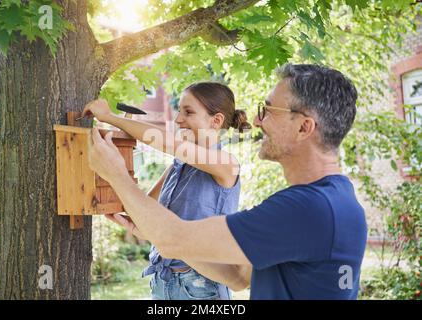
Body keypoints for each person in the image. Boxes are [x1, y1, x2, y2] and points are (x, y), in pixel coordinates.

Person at [85, 64, 368, 300]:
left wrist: (116, 172)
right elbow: (237, 276)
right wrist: (160, 236)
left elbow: (174, 237)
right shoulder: (325, 200)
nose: (257, 122)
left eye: (268, 111)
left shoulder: (308, 208)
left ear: (304, 127)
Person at [82, 82, 251, 300]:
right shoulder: (177, 167)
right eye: (179, 111)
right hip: (163, 282)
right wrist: (137, 227)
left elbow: (165, 141)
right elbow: (145, 209)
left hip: (200, 287)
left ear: (215, 120)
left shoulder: (227, 165)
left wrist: (110, 117)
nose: (178, 119)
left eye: (188, 112)